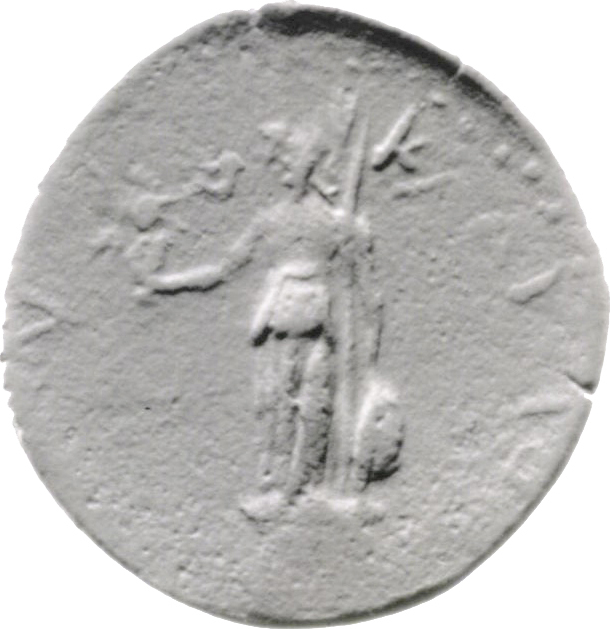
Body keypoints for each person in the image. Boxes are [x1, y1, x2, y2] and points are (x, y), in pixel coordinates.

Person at [146, 118, 381, 518]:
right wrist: (164, 282)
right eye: (280, 159)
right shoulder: (270, 221)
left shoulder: (336, 224)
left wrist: (359, 246)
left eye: (288, 157)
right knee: (277, 404)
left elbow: (365, 288)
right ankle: (277, 487)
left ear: (309, 162)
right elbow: (223, 269)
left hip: (321, 328)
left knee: (316, 406)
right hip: (281, 325)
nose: (281, 165)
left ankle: (305, 488)